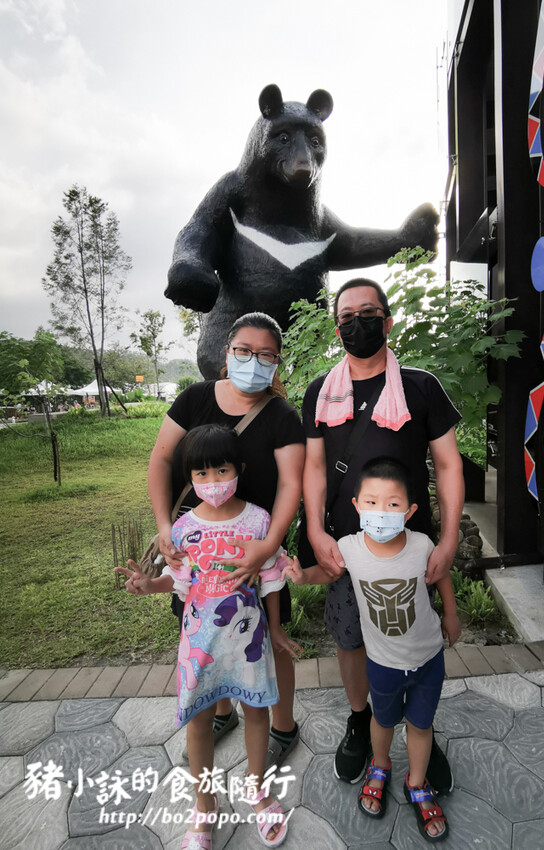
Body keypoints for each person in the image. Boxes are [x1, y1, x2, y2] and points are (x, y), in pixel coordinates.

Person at [300, 278, 464, 791]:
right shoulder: (319, 392)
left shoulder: (420, 386)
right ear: (337, 328)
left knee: (416, 639)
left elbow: (448, 463)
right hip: (346, 550)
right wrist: (314, 531)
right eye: (347, 317)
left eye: (368, 312)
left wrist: (451, 537)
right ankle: (358, 718)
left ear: (388, 321)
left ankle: (421, 729)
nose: (357, 322)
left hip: (410, 549)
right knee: (351, 640)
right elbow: (312, 468)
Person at [118, 424, 297, 847]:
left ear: (240, 468)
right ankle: (204, 805)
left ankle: (257, 790)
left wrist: (275, 630)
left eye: (221, 470)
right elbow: (179, 582)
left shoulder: (259, 521)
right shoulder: (181, 530)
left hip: (248, 644)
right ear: (189, 478)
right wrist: (150, 585)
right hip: (198, 647)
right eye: (201, 474)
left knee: (256, 713)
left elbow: (270, 581)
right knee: (199, 722)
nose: (212, 482)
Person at [147, 312, 305, 767]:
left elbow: (291, 484)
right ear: (227, 351)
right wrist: (163, 525)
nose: (253, 361)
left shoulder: (281, 416)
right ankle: (222, 713)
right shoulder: (194, 398)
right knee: (205, 632)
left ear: (277, 362)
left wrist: (269, 545)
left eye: (265, 354)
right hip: (201, 548)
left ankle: (283, 724)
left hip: (256, 543)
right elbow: (161, 461)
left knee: (269, 638)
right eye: (244, 351)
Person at [284, 457, 460, 840]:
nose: (382, 512)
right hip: (381, 664)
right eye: (372, 502)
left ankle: (417, 783)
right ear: (356, 506)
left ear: (411, 510)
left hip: (428, 658)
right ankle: (380, 766)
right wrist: (301, 576)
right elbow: (326, 573)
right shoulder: (348, 547)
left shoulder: (421, 544)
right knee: (381, 721)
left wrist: (451, 614)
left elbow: (440, 575)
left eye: (393, 504)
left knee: (420, 724)